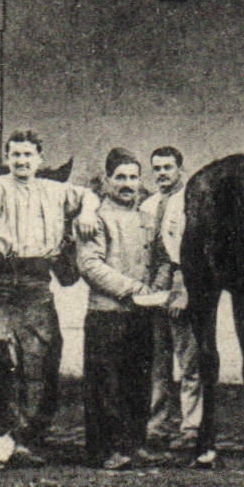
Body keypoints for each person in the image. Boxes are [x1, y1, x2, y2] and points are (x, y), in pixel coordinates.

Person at [0, 129, 98, 474]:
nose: (21, 161)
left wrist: (87, 213)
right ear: (8, 158)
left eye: (28, 155)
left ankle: (26, 440)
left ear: (39, 160)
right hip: (0, 284)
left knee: (42, 361)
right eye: (15, 155)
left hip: (38, 284)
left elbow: (88, 196)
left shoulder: (54, 190)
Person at [78, 149, 172, 470]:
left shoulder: (148, 219)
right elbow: (90, 265)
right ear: (107, 182)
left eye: (133, 177)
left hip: (141, 314)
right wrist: (133, 289)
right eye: (120, 177)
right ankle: (106, 451)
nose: (128, 184)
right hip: (106, 314)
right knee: (106, 385)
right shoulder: (95, 219)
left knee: (139, 383)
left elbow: (162, 257)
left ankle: (134, 445)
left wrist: (157, 287)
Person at [142, 145, 202, 449]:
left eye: (168, 167)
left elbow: (194, 252)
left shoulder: (192, 201)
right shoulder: (148, 205)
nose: (162, 173)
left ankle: (192, 426)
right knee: (157, 363)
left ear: (180, 168)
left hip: (184, 290)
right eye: (157, 168)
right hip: (155, 292)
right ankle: (158, 424)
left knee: (189, 362)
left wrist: (185, 289)